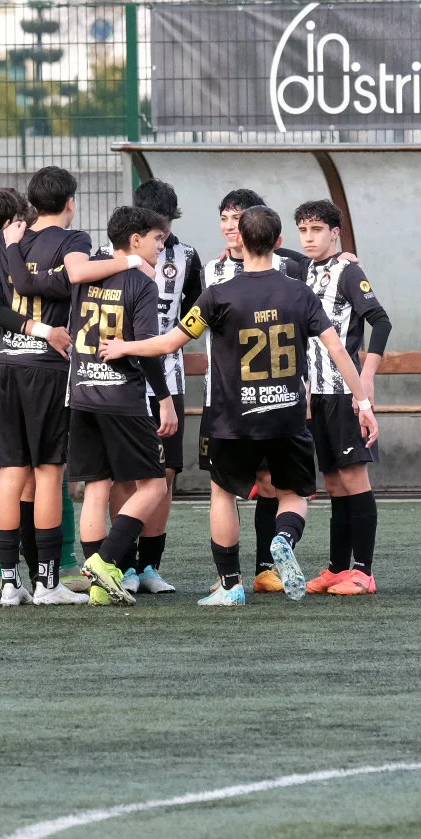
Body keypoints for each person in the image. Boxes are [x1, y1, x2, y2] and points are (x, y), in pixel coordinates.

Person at [101, 206, 378, 606]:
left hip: (234, 419)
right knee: (294, 495)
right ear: (280, 244)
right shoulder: (300, 292)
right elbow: (337, 350)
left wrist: (125, 345)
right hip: (287, 416)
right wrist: (363, 402)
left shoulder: (218, 296)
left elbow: (168, 343)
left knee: (222, 494)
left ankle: (231, 585)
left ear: (241, 242)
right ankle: (283, 540)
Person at [0, 166, 134, 605]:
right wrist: (131, 260)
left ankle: (9, 584)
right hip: (48, 367)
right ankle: (47, 584)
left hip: (5, 367)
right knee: (47, 474)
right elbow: (79, 276)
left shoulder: (10, 236)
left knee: (11, 473)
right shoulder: (73, 239)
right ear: (69, 203)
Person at [95, 179, 201, 594]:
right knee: (124, 476)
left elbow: (199, 305)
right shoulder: (107, 256)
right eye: (159, 225)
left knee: (165, 473)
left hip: (168, 378)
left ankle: (149, 566)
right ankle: (120, 564)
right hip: (118, 381)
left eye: (170, 224)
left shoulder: (187, 256)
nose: (166, 233)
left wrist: (173, 339)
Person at [199, 188, 307, 594]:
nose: (231, 226)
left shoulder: (295, 269)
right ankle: (246, 569)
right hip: (232, 398)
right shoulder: (208, 271)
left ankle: (258, 570)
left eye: (237, 218)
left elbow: (177, 333)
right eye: (225, 217)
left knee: (252, 484)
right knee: (250, 485)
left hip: (248, 402)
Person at [70, 206, 176, 605]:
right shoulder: (140, 282)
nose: (160, 247)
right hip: (121, 398)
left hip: (81, 393)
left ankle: (101, 585)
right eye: (157, 239)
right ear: (135, 240)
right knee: (153, 484)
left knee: (97, 488)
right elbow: (148, 350)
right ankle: (107, 561)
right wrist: (164, 399)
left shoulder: (88, 271)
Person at [295, 199, 392, 597]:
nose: (309, 238)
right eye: (303, 230)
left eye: (316, 230)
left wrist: (365, 377)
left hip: (343, 393)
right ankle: (337, 568)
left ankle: (364, 571)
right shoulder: (302, 270)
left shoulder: (349, 271)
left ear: (335, 232)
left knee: (354, 479)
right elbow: (269, 251)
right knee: (333, 482)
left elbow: (381, 321)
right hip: (314, 395)